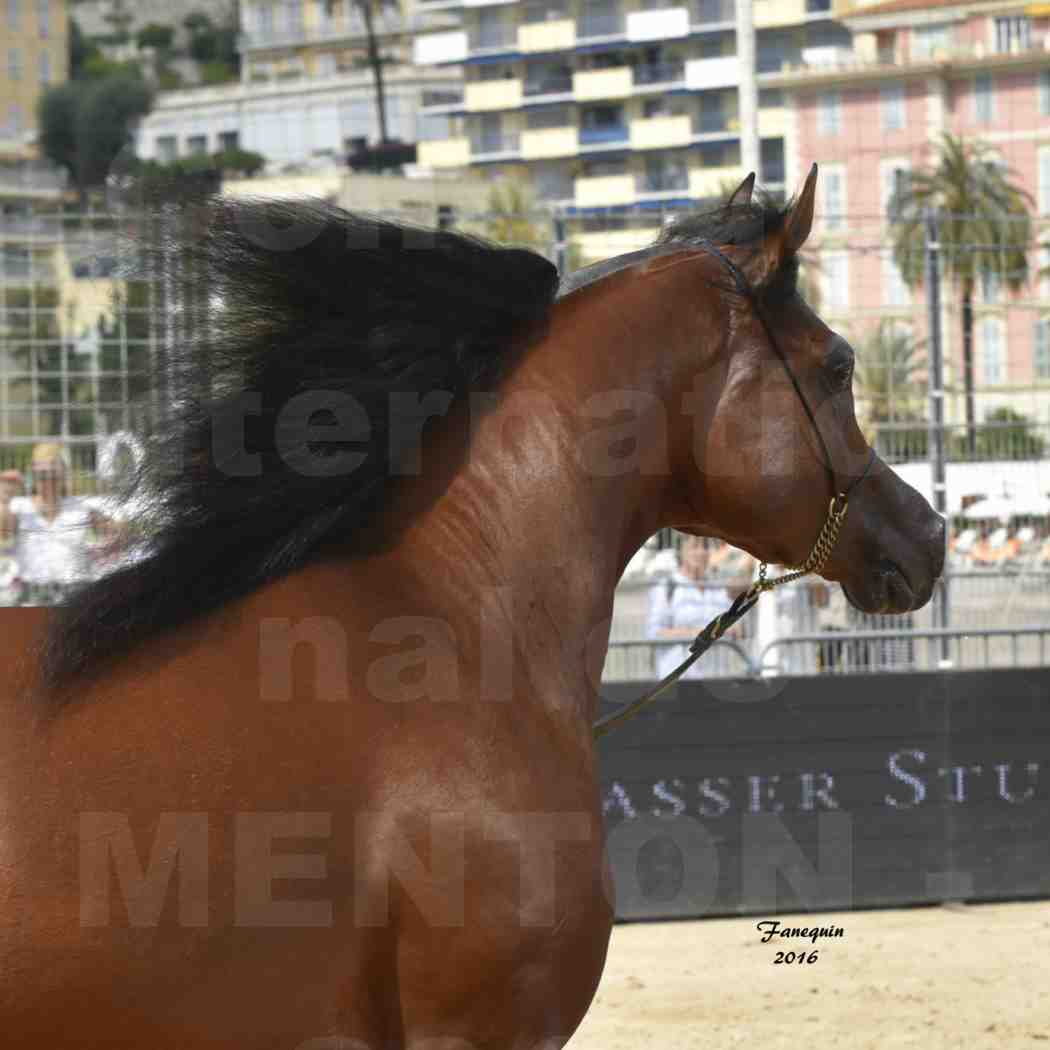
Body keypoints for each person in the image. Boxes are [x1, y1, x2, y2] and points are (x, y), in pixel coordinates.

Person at [0, 443, 126, 605]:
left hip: (76, 593)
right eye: (43, 475)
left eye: (54, 474)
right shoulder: (19, 507)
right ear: (33, 475)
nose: (48, 481)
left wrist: (120, 514)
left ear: (63, 474)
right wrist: (4, 496)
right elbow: (4, 530)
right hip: (33, 594)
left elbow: (117, 534)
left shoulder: (81, 507)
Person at [647, 537, 752, 680]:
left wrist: (736, 629)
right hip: (679, 681)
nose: (701, 552)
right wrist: (699, 633)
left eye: (705, 547)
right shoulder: (667, 586)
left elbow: (736, 623)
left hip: (717, 680)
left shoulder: (718, 586)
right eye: (695, 546)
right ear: (681, 551)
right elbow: (655, 633)